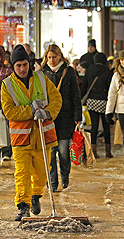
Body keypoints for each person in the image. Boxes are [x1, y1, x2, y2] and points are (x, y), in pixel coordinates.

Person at [1, 44, 62, 220]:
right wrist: (30, 110)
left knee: (42, 172)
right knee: (22, 172)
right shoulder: (7, 85)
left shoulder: (41, 79)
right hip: (21, 138)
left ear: (30, 64)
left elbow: (56, 98)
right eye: (18, 65)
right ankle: (23, 205)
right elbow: (9, 111)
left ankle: (36, 195)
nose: (22, 69)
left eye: (24, 65)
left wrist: (48, 112)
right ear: (13, 67)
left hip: (43, 135)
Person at [41, 44, 82, 192]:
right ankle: (52, 181)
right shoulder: (42, 73)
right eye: (49, 57)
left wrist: (78, 115)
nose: (51, 60)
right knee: (51, 152)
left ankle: (65, 174)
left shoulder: (68, 72)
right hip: (48, 118)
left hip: (66, 117)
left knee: (64, 152)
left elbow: (75, 95)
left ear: (60, 56)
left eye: (54, 57)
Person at [81, 52, 113, 158]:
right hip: (104, 101)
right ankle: (108, 152)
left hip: (92, 101)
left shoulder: (89, 70)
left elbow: (84, 85)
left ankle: (94, 151)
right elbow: (110, 87)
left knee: (94, 126)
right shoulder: (107, 71)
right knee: (106, 126)